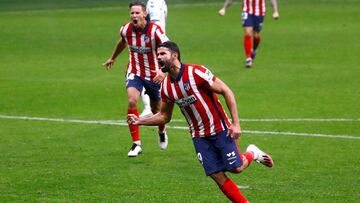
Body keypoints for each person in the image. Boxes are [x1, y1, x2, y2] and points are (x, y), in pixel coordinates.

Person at [128, 41, 274, 202]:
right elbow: (164, 116)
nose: (159, 57)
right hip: (199, 136)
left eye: (163, 54)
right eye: (158, 55)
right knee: (216, 174)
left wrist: (236, 123)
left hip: (220, 128)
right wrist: (139, 121)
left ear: (174, 55)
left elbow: (226, 91)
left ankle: (253, 152)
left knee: (237, 168)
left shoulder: (196, 72)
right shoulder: (165, 88)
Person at [102, 0, 169, 157]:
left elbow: (168, 49)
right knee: (132, 100)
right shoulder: (126, 29)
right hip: (135, 71)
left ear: (145, 14)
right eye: (132, 13)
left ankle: (162, 131)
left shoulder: (155, 31)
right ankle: (136, 144)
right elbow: (122, 42)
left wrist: (162, 71)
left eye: (137, 12)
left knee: (156, 110)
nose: (134, 15)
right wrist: (113, 58)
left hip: (154, 75)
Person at [139, 0, 168, 118]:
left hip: (154, 41)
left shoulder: (154, 2)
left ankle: (150, 107)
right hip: (157, 40)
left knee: (145, 72)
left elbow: (155, 24)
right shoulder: (160, 2)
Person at [242, 0, 280, 68]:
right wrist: (224, 8)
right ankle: (248, 58)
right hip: (247, 10)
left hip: (260, 12)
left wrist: (275, 10)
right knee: (248, 32)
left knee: (256, 36)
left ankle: (253, 51)